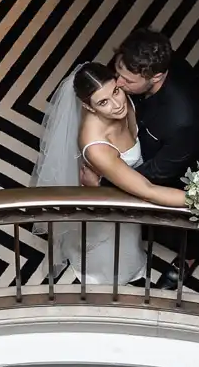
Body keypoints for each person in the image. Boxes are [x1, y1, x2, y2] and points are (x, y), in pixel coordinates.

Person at [31, 61, 186, 282]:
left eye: (116, 91)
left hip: (139, 177)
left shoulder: (125, 96)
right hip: (116, 194)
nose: (117, 104)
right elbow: (147, 190)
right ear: (89, 107)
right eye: (103, 102)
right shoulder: (96, 147)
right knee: (116, 238)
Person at [112, 28, 199, 283]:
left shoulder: (181, 119)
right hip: (147, 144)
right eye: (118, 73)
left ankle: (193, 252)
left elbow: (160, 172)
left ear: (157, 76)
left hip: (180, 167)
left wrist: (111, 178)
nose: (118, 83)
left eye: (127, 81)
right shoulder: (135, 63)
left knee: (168, 218)